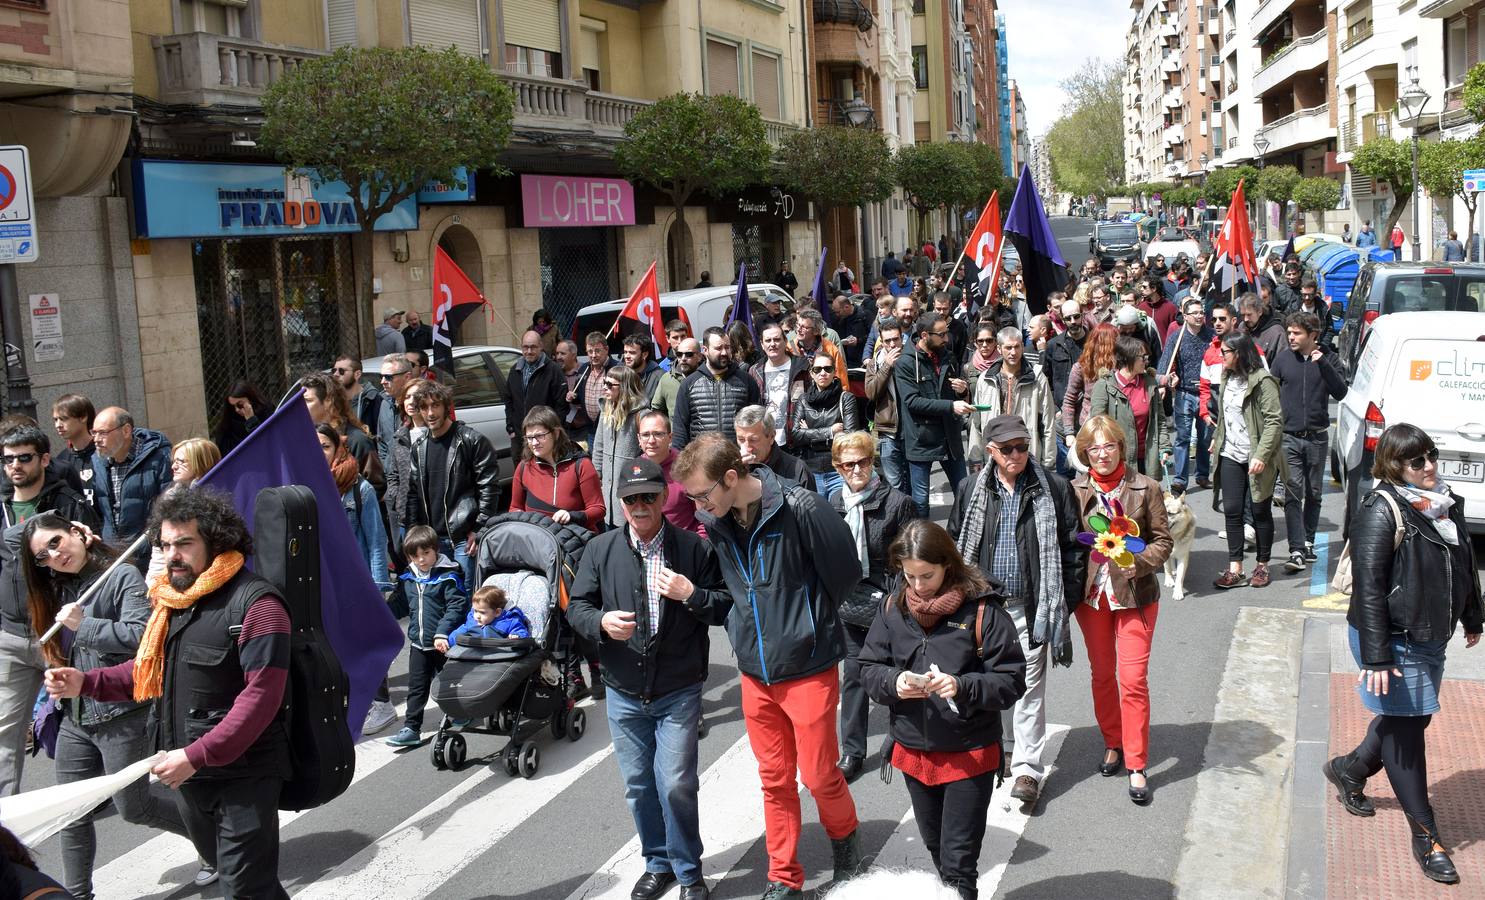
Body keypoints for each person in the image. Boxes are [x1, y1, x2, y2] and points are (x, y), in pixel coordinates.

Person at [44, 487, 294, 898]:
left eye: (184, 543)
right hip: (189, 778)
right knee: (254, 887)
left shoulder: (258, 604)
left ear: (217, 540)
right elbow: (150, 673)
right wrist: (86, 683)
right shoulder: (172, 601)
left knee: (244, 889)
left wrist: (195, 756)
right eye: (165, 544)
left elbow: (261, 697)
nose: (171, 554)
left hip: (244, 774)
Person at [673, 435, 864, 898]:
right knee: (774, 779)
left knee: (819, 774)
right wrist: (701, 601)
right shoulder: (717, 521)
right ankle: (783, 875)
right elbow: (729, 593)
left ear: (732, 478)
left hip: (809, 666)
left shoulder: (802, 508)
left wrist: (806, 623)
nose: (698, 506)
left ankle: (846, 841)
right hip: (755, 672)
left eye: (702, 495)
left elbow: (846, 576)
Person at [566, 458, 728, 900]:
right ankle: (658, 862)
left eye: (648, 497)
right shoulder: (600, 550)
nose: (640, 506)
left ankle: (689, 871)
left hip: (678, 686)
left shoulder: (693, 549)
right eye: (631, 499)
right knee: (638, 786)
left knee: (675, 782)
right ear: (620, 503)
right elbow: (576, 607)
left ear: (664, 498)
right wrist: (601, 622)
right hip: (623, 689)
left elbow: (724, 604)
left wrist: (690, 594)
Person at [1330, 423, 1481, 885]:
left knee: (1409, 719)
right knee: (1408, 733)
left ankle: (1349, 769)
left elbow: (1461, 564)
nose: (1430, 466)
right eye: (1418, 461)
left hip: (1430, 636)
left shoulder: (1444, 503)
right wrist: (1376, 657)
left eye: (1431, 456)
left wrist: (1473, 616)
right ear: (1394, 466)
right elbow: (1370, 591)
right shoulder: (1380, 509)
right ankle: (1427, 835)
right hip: (1392, 639)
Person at [22, 514, 198, 899]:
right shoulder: (54, 591)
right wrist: (54, 680)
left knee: (134, 808)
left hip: (123, 714)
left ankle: (214, 840)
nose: (54, 555)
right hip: (75, 717)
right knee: (72, 813)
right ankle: (77, 895)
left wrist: (83, 626)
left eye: (56, 542)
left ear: (76, 532)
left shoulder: (120, 576)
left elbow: (141, 638)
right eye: (43, 556)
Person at [855, 520, 1027, 900]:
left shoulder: (983, 610)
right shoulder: (891, 606)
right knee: (935, 848)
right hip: (915, 751)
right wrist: (894, 683)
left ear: (947, 564)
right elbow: (868, 668)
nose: (917, 586)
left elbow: (1012, 680)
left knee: (958, 863)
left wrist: (962, 686)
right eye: (909, 575)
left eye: (926, 575)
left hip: (969, 754)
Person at [948, 414, 1083, 809]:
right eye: (1007, 449)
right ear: (991, 451)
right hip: (984, 609)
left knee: (1028, 690)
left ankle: (1027, 768)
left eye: (1022, 446)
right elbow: (956, 544)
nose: (1017, 454)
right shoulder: (971, 488)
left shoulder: (1054, 488)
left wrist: (1063, 602)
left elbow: (1073, 548)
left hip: (1032, 607)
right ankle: (1001, 748)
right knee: (990, 684)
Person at [1069, 416, 1173, 806]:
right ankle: (1113, 740)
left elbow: (1164, 541)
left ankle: (1137, 761)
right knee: (1101, 675)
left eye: (1108, 446)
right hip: (1092, 599)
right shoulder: (1075, 490)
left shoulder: (1147, 487)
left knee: (1132, 680)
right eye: (1093, 448)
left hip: (1135, 596)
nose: (1101, 454)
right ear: (1084, 453)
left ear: (1121, 447)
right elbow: (1069, 542)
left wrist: (1141, 561)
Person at [827, 431, 916, 784]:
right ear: (837, 467)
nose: (857, 469)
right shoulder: (833, 502)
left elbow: (907, 560)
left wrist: (895, 603)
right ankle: (852, 751)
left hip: (886, 599)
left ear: (872, 460)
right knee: (854, 676)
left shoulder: (897, 502)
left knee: (894, 674)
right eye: (848, 464)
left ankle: (901, 740)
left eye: (863, 461)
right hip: (849, 601)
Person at [403, 380, 499, 588]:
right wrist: (413, 533)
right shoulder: (419, 447)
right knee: (437, 597)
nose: (430, 413)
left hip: (463, 537)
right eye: (424, 407)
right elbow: (413, 493)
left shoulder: (471, 440)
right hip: (431, 540)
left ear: (447, 406)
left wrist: (479, 528)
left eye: (435, 405)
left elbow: (489, 488)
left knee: (463, 595)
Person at [1272, 311, 1347, 573]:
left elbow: (1341, 392)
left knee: (1314, 494)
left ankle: (1309, 540)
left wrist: (1323, 364)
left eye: (1296, 333)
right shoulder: (1282, 360)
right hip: (1289, 438)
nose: (1291, 337)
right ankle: (1296, 549)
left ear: (1313, 336)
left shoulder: (1330, 359)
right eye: (1289, 332)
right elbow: (1271, 395)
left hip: (1316, 438)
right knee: (1294, 493)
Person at [1210, 333, 1284, 589]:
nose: (1222, 357)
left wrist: (1262, 455)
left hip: (1257, 456)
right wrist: (1217, 439)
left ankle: (1262, 565)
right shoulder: (1226, 377)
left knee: (1260, 510)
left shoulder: (1263, 381)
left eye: (1226, 353)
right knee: (1232, 510)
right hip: (1230, 453)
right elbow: (1225, 416)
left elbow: (1274, 421)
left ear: (1239, 354)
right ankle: (1235, 568)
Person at [384, 525, 469, 748]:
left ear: (436, 550)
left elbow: (456, 607)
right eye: (415, 555)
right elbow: (402, 604)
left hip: (443, 644)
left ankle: (460, 712)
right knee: (416, 688)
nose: (421, 560)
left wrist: (443, 632)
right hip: (419, 645)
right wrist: (381, 611)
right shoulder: (409, 578)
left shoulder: (448, 576)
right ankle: (411, 727)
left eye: (426, 553)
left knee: (451, 683)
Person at [896, 312, 973, 517]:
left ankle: (963, 541)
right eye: (941, 334)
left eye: (946, 333)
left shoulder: (947, 355)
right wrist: (950, 406)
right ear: (924, 335)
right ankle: (923, 545)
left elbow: (957, 392)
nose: (946, 339)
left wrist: (963, 390)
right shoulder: (906, 362)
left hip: (950, 436)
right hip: (921, 439)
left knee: (965, 494)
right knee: (920, 502)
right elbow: (912, 401)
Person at [966, 328, 1058, 472]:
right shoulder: (985, 379)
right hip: (995, 454)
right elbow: (977, 422)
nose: (1013, 352)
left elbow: (1047, 424)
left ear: (1022, 346)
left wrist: (1049, 462)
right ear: (999, 348)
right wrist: (975, 456)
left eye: (1017, 346)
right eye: (1008, 348)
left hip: (1026, 454)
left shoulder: (1037, 378)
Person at [90, 407, 172, 564]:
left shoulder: (159, 457)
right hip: (112, 557)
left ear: (126, 431)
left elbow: (169, 508)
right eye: (94, 433)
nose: (96, 439)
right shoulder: (97, 461)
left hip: (150, 555)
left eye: (103, 433)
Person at [316, 425, 391, 591]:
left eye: (325, 447)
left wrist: (378, 589)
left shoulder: (361, 489)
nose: (320, 452)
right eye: (314, 446)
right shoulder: (305, 487)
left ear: (338, 448)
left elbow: (376, 543)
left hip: (356, 582)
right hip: (324, 584)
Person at [509, 406, 606, 532]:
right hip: (537, 543)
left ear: (556, 433)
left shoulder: (581, 464)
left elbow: (598, 509)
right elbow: (515, 507)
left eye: (540, 436)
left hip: (575, 542)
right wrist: (519, 516)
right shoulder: (524, 467)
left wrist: (573, 516)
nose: (534, 443)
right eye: (529, 438)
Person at [1156, 298, 1214, 493]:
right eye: (1195, 313)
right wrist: (1163, 380)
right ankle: (1180, 479)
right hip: (1185, 394)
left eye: (1201, 312)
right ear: (1186, 316)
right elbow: (1165, 361)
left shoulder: (1212, 336)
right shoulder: (1176, 337)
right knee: (1183, 437)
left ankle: (1203, 475)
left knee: (1205, 438)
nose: (1199, 316)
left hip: (1207, 394)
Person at [671, 327, 762, 448]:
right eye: (718, 348)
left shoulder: (746, 381)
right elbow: (680, 430)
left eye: (727, 347)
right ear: (705, 350)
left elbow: (757, 421)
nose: (724, 352)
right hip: (701, 460)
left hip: (737, 458)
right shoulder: (689, 384)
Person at [1088, 337, 1166, 478]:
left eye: (1147, 357)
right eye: (1143, 357)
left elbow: (1160, 420)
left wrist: (1165, 448)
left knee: (1147, 498)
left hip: (1147, 457)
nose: (1146, 361)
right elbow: (1098, 425)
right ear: (1127, 358)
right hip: (1117, 459)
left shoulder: (1150, 383)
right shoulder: (1104, 386)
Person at [792, 353, 863, 498]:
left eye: (828, 369)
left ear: (834, 372)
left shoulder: (846, 398)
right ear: (811, 373)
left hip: (838, 471)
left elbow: (848, 437)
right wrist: (830, 431)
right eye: (817, 369)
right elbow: (796, 435)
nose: (823, 373)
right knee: (816, 518)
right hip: (811, 470)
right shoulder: (803, 400)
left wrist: (809, 433)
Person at [1, 424, 97, 531]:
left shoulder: (71, 505)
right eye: (8, 459)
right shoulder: (2, 507)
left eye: (24, 458)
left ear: (44, 460)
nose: (15, 465)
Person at [300, 374, 383, 496]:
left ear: (328, 401)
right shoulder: (304, 438)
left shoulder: (356, 439)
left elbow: (377, 485)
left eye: (307, 400)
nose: (301, 406)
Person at [1060, 324, 1118, 474]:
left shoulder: (1120, 367)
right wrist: (1069, 433)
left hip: (1115, 427)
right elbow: (1069, 400)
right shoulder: (1081, 367)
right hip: (1090, 428)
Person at [636, 410, 704, 536]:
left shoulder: (689, 468)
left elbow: (705, 518)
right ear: (638, 439)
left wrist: (698, 548)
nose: (651, 440)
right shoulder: (634, 470)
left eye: (658, 434)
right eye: (645, 435)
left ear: (670, 437)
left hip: (684, 548)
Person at [593, 365, 645, 529]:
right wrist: (596, 477)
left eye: (610, 385)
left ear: (624, 387)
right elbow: (598, 447)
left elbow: (648, 455)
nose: (605, 388)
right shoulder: (606, 409)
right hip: (607, 493)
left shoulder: (642, 415)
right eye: (604, 382)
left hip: (631, 490)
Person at [1042, 299, 1089, 475]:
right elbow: (1045, 380)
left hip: (1088, 414)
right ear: (1062, 319)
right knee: (1065, 473)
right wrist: (1054, 408)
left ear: (1082, 315)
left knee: (1089, 470)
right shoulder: (1054, 345)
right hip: (1062, 416)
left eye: (1076, 316)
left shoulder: (1093, 342)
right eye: (1068, 318)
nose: (1073, 322)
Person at [865, 321, 908, 493]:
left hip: (910, 428)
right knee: (894, 483)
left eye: (895, 340)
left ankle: (916, 519)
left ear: (901, 338)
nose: (892, 344)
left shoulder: (911, 358)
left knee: (912, 479)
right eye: (887, 341)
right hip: (887, 430)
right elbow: (871, 392)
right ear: (881, 342)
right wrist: (886, 366)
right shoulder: (875, 363)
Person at [750, 324, 809, 448]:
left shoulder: (803, 367)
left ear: (785, 341)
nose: (772, 344)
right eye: (768, 340)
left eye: (777, 339)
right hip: (766, 441)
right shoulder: (755, 371)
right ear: (762, 344)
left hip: (796, 440)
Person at [504, 328, 569, 441]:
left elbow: (561, 405)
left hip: (544, 437)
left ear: (541, 346)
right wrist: (511, 427)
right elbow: (508, 400)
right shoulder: (515, 370)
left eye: (533, 347)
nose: (529, 351)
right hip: (520, 436)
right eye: (525, 347)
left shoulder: (554, 370)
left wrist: (553, 431)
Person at [332, 355, 395, 470]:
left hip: (368, 466)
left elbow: (382, 438)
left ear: (357, 374)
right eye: (334, 370)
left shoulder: (373, 399)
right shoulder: (331, 403)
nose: (336, 374)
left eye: (341, 371)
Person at [735, 405, 814, 492]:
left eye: (753, 440)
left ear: (772, 437)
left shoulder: (798, 470)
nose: (747, 447)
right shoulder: (734, 469)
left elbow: (809, 504)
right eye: (741, 440)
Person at [51, 394, 100, 509]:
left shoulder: (103, 453)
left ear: (83, 417)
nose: (58, 425)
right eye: (55, 420)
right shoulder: (62, 459)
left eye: (64, 419)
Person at [449, 584, 530, 643]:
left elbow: (522, 632)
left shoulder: (509, 621)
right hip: (473, 655)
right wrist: (449, 641)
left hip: (498, 656)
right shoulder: (472, 621)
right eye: (475, 611)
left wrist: (517, 636)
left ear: (497, 612)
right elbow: (458, 633)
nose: (477, 616)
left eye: (482, 612)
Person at [213, 381, 269, 457]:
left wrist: (251, 420)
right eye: (232, 406)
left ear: (250, 399)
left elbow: (264, 442)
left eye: (240, 405)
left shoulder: (265, 413)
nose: (237, 410)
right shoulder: (228, 424)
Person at [654, 337, 702, 419]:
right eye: (679, 354)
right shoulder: (667, 379)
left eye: (688, 354)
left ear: (699, 356)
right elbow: (657, 410)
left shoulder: (708, 377)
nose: (683, 358)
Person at [622, 333, 667, 402]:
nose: (627, 356)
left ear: (645, 354)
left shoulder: (660, 377)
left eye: (632, 353)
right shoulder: (620, 374)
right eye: (625, 352)